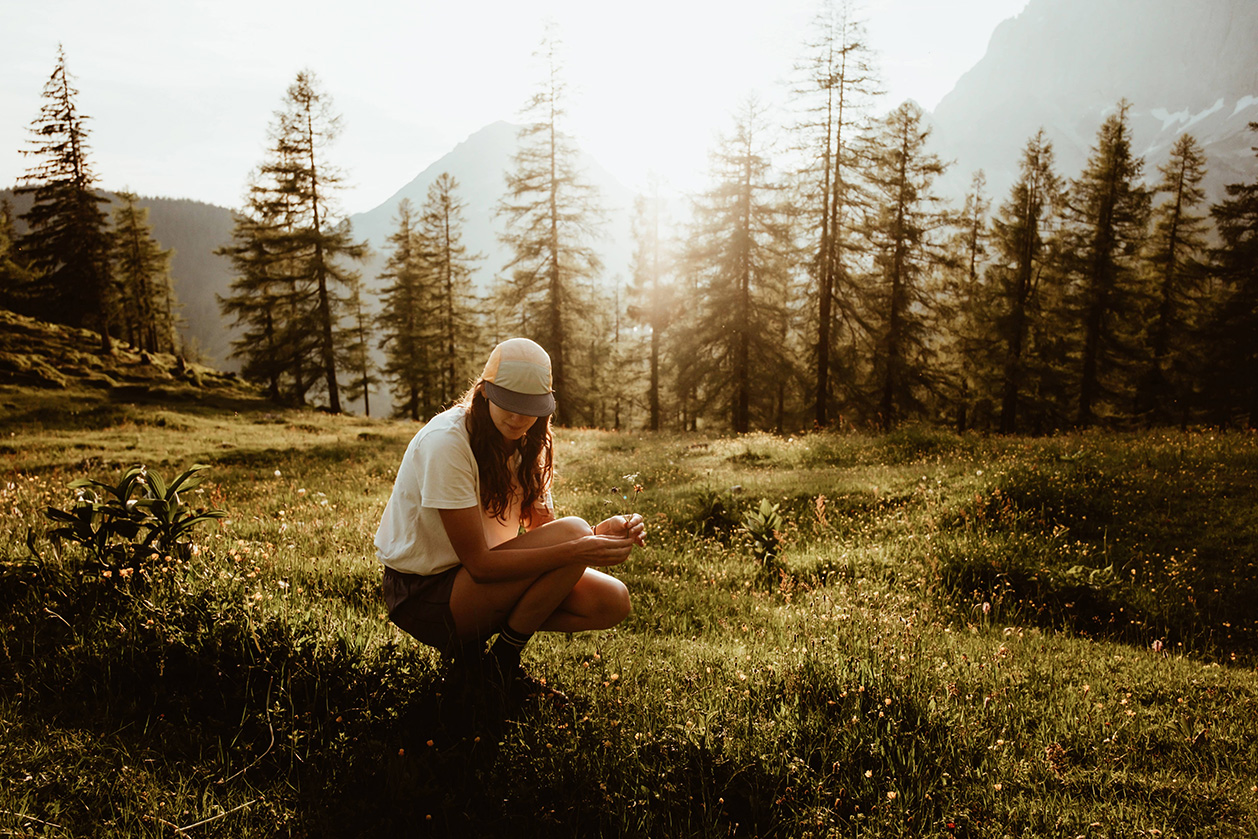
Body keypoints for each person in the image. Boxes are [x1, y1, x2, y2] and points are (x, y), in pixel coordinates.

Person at [375, 337, 643, 701]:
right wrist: (580, 547)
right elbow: (481, 565)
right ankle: (500, 665)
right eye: (509, 404)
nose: (518, 418)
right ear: (484, 392)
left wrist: (598, 534)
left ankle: (481, 664)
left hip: (483, 581)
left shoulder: (531, 440)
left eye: (529, 407)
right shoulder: (447, 443)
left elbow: (544, 534)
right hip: (424, 594)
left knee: (612, 600)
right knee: (574, 539)